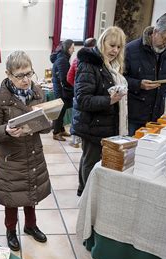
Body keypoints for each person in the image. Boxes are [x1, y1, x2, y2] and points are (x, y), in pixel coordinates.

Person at [0, 51, 51, 251]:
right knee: (12, 198)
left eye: (29, 74)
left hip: (33, 153)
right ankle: (11, 230)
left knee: (32, 192)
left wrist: (47, 122)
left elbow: (46, 126)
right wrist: (6, 130)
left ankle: (31, 226)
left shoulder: (37, 92)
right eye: (20, 75)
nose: (26, 80)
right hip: (12, 158)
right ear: (8, 74)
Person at [72, 27, 128, 196]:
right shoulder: (89, 64)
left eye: (119, 47)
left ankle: (85, 191)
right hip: (92, 124)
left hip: (103, 123)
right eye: (112, 45)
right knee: (91, 161)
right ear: (102, 42)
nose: (115, 50)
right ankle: (86, 195)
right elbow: (83, 99)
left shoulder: (112, 65)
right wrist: (109, 100)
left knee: (91, 160)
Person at [124, 14, 166, 136]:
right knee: (131, 149)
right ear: (155, 31)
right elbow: (119, 79)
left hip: (157, 111)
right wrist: (138, 84)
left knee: (150, 150)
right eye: (165, 39)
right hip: (135, 112)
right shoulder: (131, 49)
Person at [67, 37, 97, 148]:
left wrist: (77, 87)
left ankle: (75, 141)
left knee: (77, 116)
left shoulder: (76, 60)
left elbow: (69, 77)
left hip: (78, 93)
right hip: (92, 94)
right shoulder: (97, 61)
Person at [50, 39, 75, 141]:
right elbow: (64, 79)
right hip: (62, 91)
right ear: (68, 48)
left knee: (62, 110)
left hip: (62, 90)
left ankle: (61, 129)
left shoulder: (62, 58)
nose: (73, 50)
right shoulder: (62, 60)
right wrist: (72, 89)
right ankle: (56, 133)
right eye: (73, 48)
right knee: (60, 111)